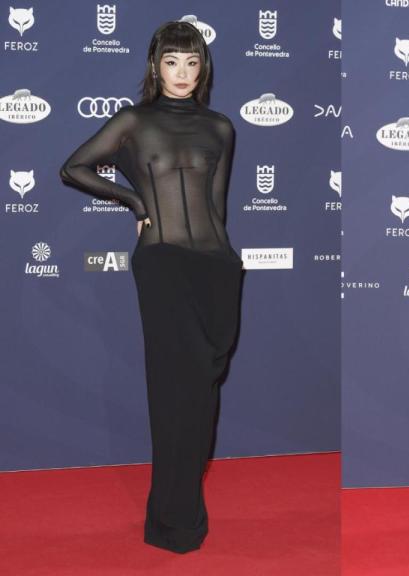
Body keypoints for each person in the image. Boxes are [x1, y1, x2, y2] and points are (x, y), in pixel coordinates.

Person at [60, 21, 242, 554]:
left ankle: (182, 505)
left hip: (217, 267)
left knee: (204, 393)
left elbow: (219, 207)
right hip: (162, 263)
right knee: (173, 391)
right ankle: (173, 520)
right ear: (156, 67)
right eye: (172, 62)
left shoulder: (221, 128)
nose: (182, 73)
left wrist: (229, 261)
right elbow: (73, 168)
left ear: (203, 68)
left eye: (192, 63)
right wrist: (134, 201)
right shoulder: (134, 122)